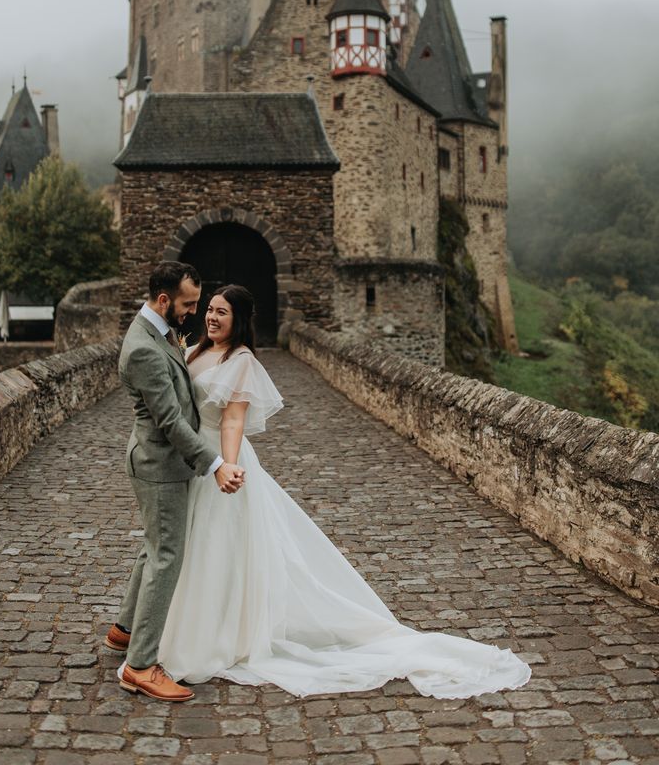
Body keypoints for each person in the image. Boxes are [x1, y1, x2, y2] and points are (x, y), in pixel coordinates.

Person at [127, 284, 532, 699]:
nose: (211, 317)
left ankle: (210, 635)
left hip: (218, 460)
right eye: (209, 310)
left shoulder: (242, 361)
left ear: (239, 320)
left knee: (216, 550)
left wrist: (227, 466)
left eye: (221, 313)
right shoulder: (193, 349)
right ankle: (150, 629)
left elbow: (232, 420)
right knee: (182, 546)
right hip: (194, 460)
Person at [105, 262, 245, 702]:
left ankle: (124, 630)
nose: (192, 313)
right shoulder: (144, 347)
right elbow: (169, 421)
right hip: (161, 463)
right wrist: (216, 463)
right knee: (167, 556)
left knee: (153, 548)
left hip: (156, 460)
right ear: (164, 300)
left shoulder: (157, 330)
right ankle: (141, 666)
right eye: (187, 304)